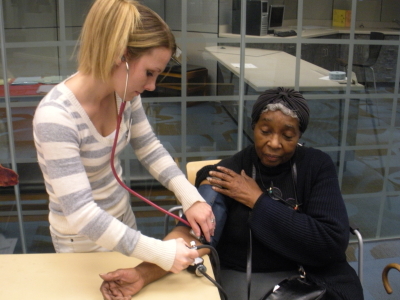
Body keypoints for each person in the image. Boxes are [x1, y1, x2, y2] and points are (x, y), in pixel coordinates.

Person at [100, 87, 364, 300]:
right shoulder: (228, 174)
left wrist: (258, 201)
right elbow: (194, 234)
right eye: (265, 131)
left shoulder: (316, 167)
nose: (274, 143)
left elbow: (330, 244)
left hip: (318, 278)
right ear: (253, 127)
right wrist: (142, 273)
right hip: (251, 281)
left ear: (299, 136)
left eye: (288, 135)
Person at [32, 0, 215, 274]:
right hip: (82, 241)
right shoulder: (56, 117)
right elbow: (82, 213)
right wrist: (161, 252)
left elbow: (149, 148)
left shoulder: (124, 94)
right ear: (121, 55)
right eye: (149, 73)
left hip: (122, 222)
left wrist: (190, 197)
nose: (152, 86)